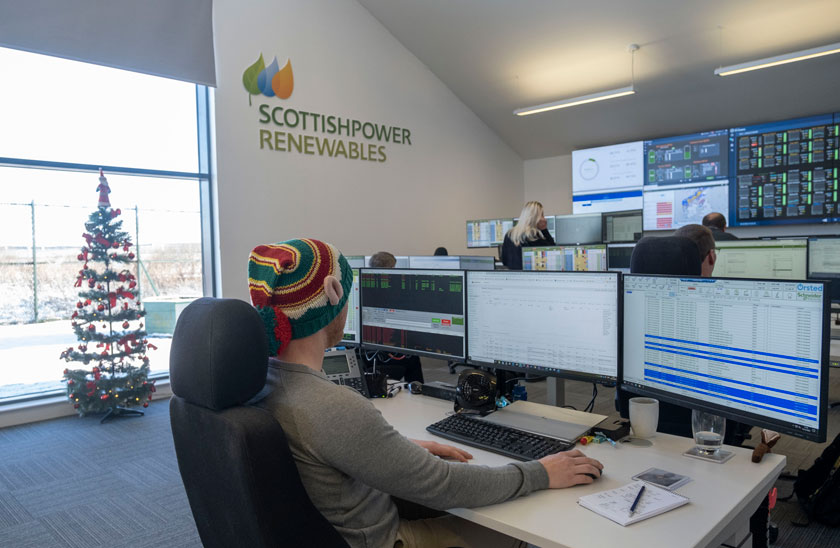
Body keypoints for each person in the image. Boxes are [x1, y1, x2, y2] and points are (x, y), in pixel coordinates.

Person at [248, 239, 603, 548]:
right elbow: (445, 484)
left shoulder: (259, 383)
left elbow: (327, 451)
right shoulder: (332, 407)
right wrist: (541, 472)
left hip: (339, 527)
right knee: (520, 523)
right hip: (387, 540)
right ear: (332, 294)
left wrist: (393, 448)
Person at [365, 250, 424, 383]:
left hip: (366, 357)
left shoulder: (364, 289)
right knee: (413, 356)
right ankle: (417, 389)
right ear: (390, 269)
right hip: (389, 357)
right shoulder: (396, 293)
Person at [500, 201, 554, 270]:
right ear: (536, 217)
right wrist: (544, 229)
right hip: (529, 278)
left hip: (512, 276)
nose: (544, 218)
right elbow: (553, 252)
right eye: (542, 215)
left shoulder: (509, 234)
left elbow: (504, 261)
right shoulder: (533, 236)